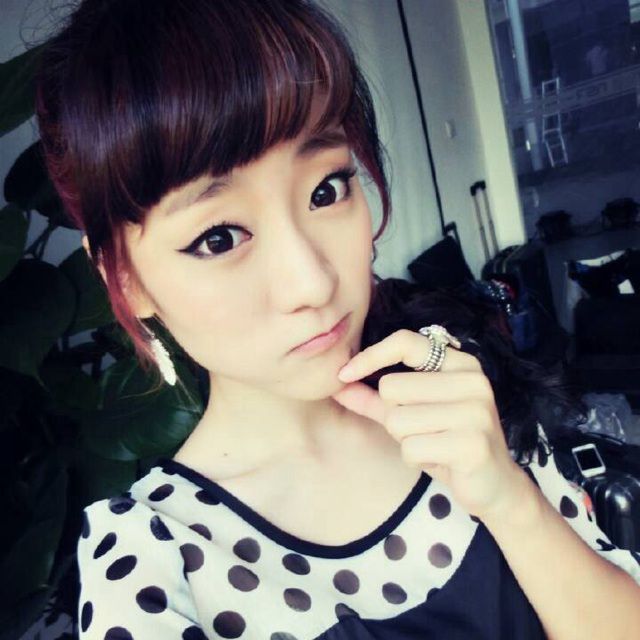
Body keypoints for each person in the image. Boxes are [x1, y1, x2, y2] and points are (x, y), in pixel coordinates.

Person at [34, 1, 640, 638]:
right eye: (218, 238)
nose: (313, 282)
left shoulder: (452, 397)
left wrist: (509, 499)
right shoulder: (154, 562)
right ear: (125, 279)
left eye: (326, 189)